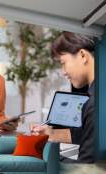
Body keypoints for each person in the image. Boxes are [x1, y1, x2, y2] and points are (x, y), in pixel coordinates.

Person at [31, 32, 96, 163]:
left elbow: (86, 162)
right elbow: (81, 138)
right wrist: (52, 134)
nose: (63, 72)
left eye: (63, 62)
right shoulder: (93, 95)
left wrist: (49, 158)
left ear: (83, 55)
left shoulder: (95, 103)